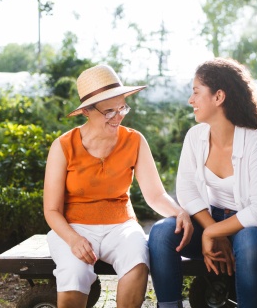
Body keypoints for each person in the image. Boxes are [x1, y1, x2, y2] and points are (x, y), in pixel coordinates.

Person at [43, 64, 193, 308]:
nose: (119, 116)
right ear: (86, 112)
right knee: (74, 273)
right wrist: (72, 239)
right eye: (109, 111)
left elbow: (155, 195)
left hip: (121, 226)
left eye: (122, 107)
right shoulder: (62, 146)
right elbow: (51, 210)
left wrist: (179, 212)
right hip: (74, 227)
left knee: (137, 261)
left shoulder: (134, 140)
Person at [148, 57, 257, 308]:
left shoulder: (256, 141)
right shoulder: (195, 137)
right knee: (160, 233)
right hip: (211, 219)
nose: (191, 100)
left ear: (219, 97)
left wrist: (213, 232)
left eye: (196, 93)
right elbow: (187, 191)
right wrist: (211, 226)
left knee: (249, 239)